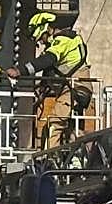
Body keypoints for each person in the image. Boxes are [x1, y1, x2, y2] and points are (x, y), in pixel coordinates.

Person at [6, 12, 90, 148]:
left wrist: (20, 71)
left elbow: (47, 60)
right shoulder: (61, 41)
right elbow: (51, 70)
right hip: (70, 87)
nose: (41, 42)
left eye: (40, 38)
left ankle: (50, 161)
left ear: (46, 29)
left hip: (75, 88)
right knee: (60, 129)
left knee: (54, 125)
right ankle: (64, 158)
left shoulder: (63, 40)